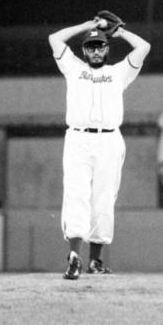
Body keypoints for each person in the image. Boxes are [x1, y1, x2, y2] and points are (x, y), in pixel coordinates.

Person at [49, 16, 150, 279]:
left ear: (107, 49)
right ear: (84, 50)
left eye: (100, 46)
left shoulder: (118, 73)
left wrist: (120, 32)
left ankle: (95, 260)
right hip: (78, 139)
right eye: (91, 46)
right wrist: (86, 25)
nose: (95, 50)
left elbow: (143, 47)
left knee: (104, 198)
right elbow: (54, 39)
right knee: (76, 194)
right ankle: (74, 257)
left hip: (109, 139)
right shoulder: (73, 67)